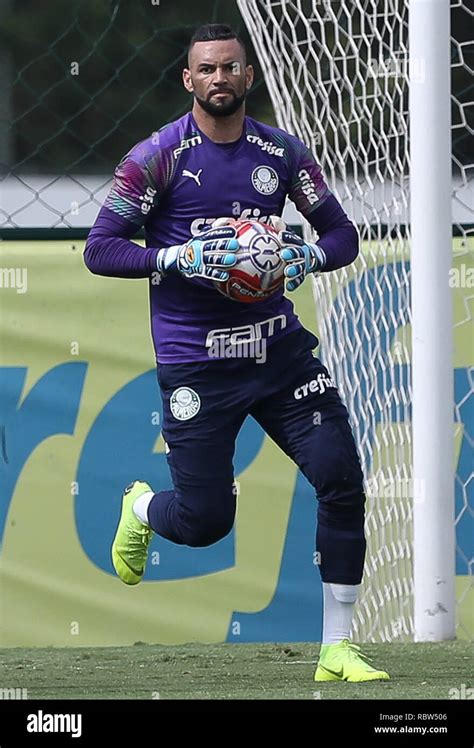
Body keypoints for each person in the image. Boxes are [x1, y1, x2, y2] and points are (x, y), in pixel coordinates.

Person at [84, 23, 389, 683]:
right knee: (204, 523)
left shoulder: (281, 153)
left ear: (248, 77)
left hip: (280, 357)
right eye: (206, 69)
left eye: (230, 67)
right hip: (198, 366)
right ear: (188, 81)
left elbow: (341, 234)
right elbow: (100, 247)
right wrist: (176, 256)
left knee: (340, 476)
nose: (219, 78)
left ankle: (336, 649)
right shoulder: (157, 157)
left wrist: (308, 253)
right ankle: (140, 507)